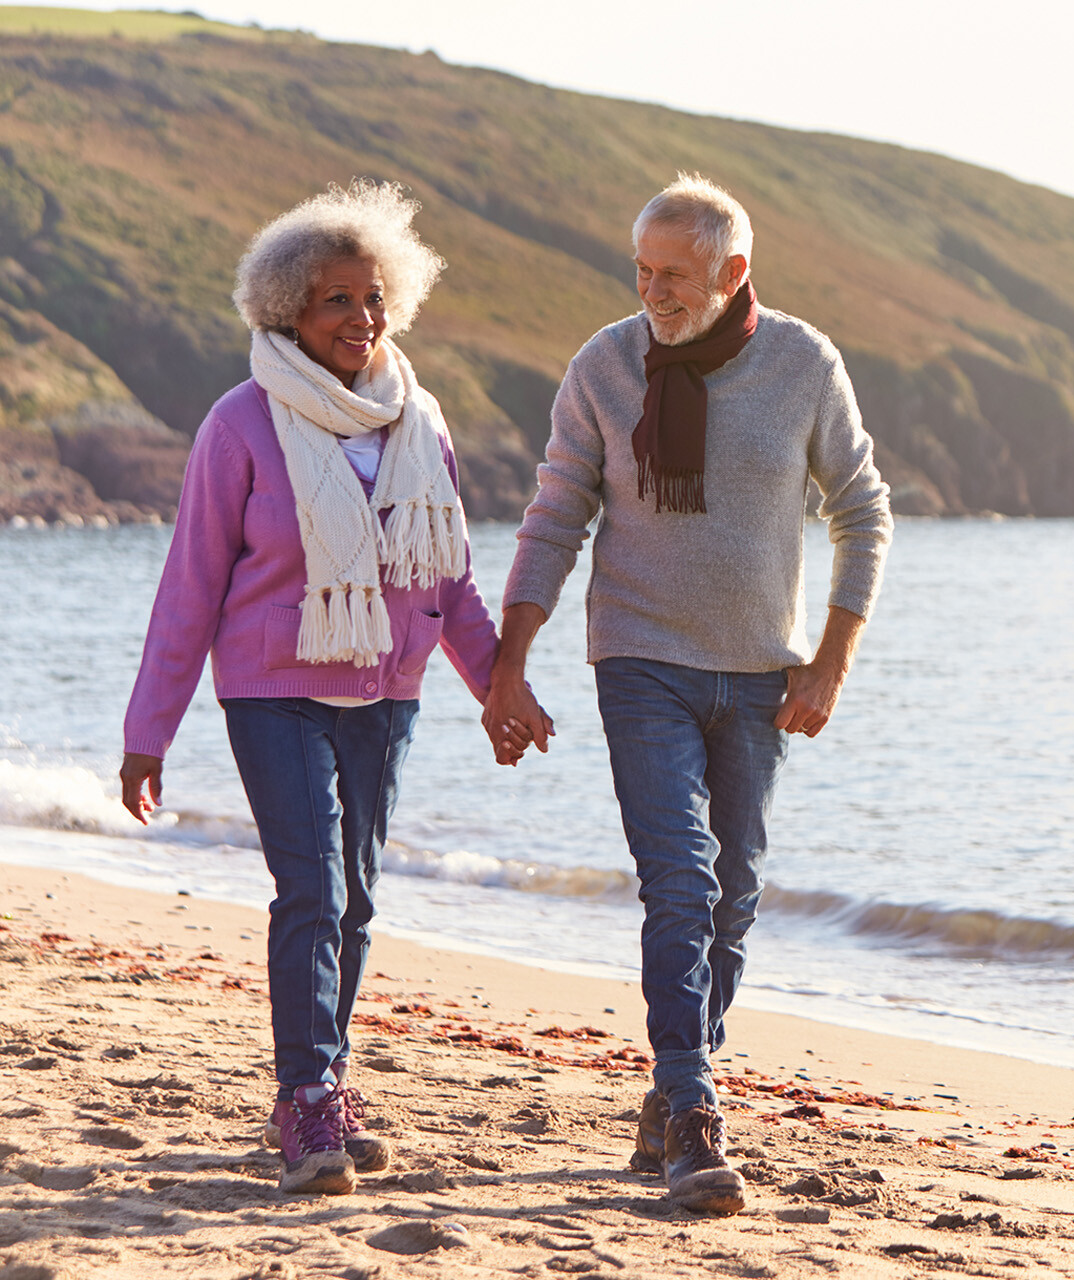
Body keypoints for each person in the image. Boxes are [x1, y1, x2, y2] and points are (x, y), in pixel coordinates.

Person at [483, 173, 892, 1215]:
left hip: (761, 673)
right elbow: (556, 512)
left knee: (735, 895)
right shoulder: (604, 364)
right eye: (642, 270)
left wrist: (832, 660)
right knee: (681, 881)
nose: (652, 291)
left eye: (675, 273)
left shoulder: (802, 362)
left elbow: (862, 508)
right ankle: (698, 1111)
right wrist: (509, 660)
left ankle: (670, 1090)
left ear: (732, 271)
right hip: (640, 660)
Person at [119, 180, 537, 1196]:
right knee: (312, 888)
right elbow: (190, 585)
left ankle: (328, 1084)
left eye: (373, 296)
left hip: (388, 692)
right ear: (288, 310)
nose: (361, 318)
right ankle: (304, 1096)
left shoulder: (417, 420)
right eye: (335, 300)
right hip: (274, 691)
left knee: (355, 899)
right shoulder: (240, 423)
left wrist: (498, 687)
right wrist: (147, 733)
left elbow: (447, 579)